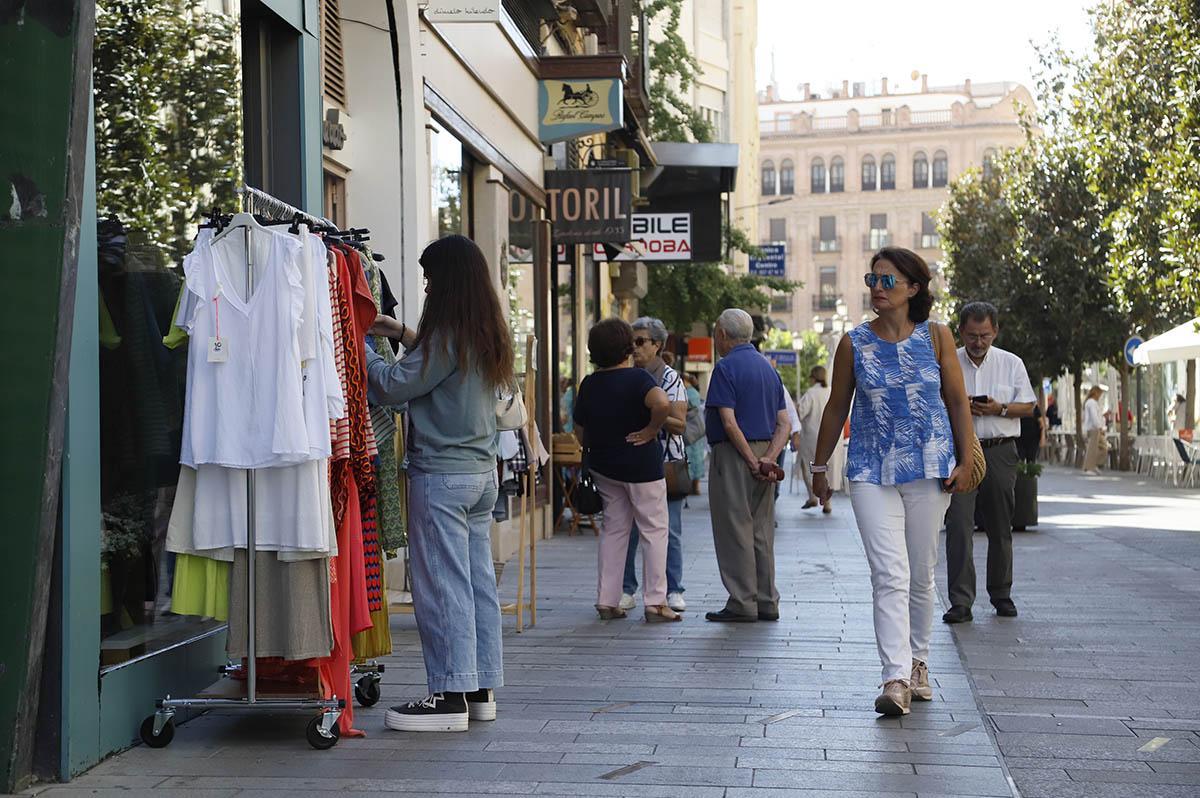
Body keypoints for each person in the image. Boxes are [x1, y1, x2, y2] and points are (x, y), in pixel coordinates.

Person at [811, 247, 975, 716]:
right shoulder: (853, 343)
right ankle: (895, 677)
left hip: (929, 464)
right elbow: (836, 406)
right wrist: (819, 469)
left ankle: (919, 662)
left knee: (921, 572)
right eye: (873, 279)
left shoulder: (937, 336)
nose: (877, 288)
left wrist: (965, 460)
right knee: (888, 573)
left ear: (913, 288)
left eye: (888, 281)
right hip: (870, 467)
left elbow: (957, 402)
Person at [364, 235, 513, 733]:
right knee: (476, 584)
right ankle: (479, 690)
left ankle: (448, 697)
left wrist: (358, 343)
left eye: (429, 277)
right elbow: (443, 369)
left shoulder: (446, 333)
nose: (426, 286)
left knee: (442, 586)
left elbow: (391, 385)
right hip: (480, 476)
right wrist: (403, 333)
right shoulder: (485, 330)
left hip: (443, 477)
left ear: (447, 280)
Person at [572, 318, 681, 623]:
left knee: (613, 529)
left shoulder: (589, 384)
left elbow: (579, 429)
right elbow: (661, 403)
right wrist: (650, 430)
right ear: (627, 348)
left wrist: (597, 444)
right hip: (641, 466)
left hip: (604, 467)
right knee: (654, 530)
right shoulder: (638, 379)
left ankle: (607, 600)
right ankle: (656, 602)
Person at [942, 302, 1036, 625]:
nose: (978, 342)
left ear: (995, 331)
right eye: (971, 336)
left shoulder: (1011, 363)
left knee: (1000, 524)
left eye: (984, 335)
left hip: (999, 449)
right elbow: (935, 402)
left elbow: (1029, 407)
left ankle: (1001, 593)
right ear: (961, 332)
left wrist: (1000, 408)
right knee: (959, 524)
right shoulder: (948, 361)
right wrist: (960, 406)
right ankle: (960, 601)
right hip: (961, 450)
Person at [703, 308, 790, 624]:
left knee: (734, 527)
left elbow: (728, 422)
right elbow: (784, 422)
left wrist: (751, 460)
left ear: (722, 334)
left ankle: (743, 601)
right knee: (761, 529)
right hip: (765, 450)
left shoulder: (725, 368)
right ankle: (767, 600)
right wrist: (768, 458)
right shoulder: (769, 369)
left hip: (733, 454)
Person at [619, 317, 689, 614]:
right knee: (628, 530)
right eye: (631, 342)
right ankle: (626, 589)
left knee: (670, 530)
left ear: (657, 345)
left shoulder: (670, 378)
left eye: (641, 342)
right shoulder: (625, 374)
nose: (634, 348)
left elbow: (680, 424)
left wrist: (651, 416)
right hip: (632, 461)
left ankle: (673, 589)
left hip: (665, 463)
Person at [796, 366, 832, 513]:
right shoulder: (830, 391)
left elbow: (800, 412)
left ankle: (812, 497)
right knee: (827, 469)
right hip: (831, 438)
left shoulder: (811, 393)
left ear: (813, 377)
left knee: (807, 467)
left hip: (811, 438)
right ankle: (827, 502)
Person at [683, 372, 707, 494]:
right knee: (697, 458)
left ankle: (688, 485)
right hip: (697, 431)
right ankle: (696, 486)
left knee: (688, 458)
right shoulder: (696, 393)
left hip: (688, 429)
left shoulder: (686, 393)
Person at [1081, 385, 1107, 475]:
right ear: (1095, 393)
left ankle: (1093, 464)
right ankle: (1089, 467)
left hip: (1094, 428)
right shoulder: (1091, 403)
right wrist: (1099, 427)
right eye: (1099, 394)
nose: (1100, 396)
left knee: (1102, 448)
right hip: (1093, 429)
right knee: (1093, 449)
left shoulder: (1091, 403)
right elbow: (1094, 416)